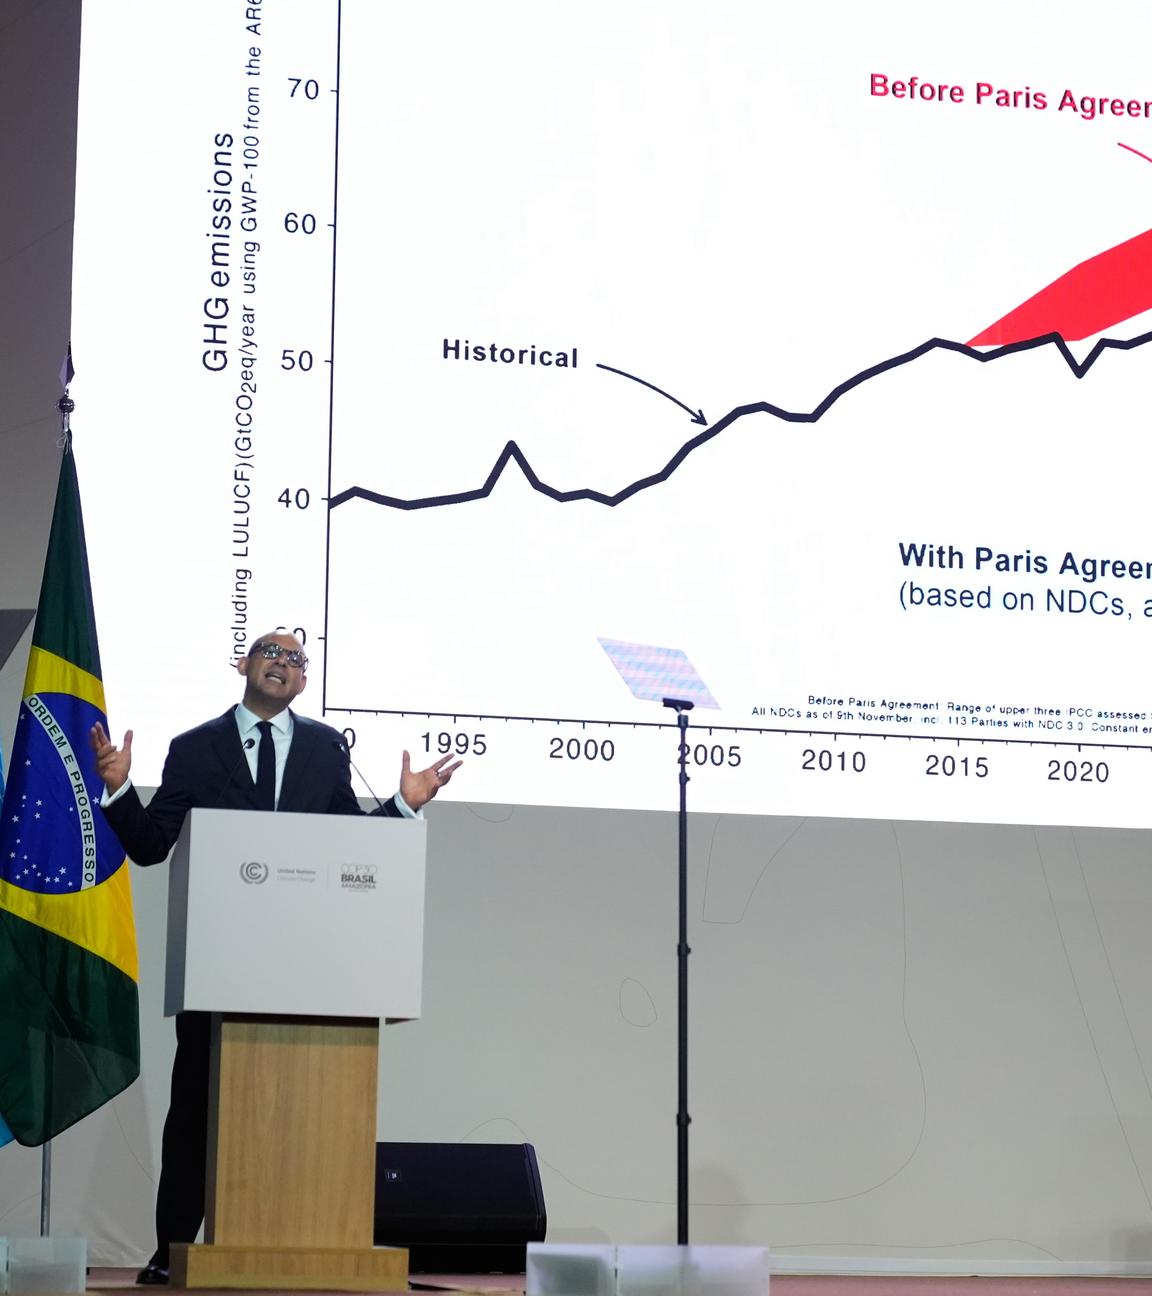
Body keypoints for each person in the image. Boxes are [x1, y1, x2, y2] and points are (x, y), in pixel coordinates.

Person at [91, 631, 460, 1285]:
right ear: (244, 663)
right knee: (195, 1113)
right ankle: (171, 1249)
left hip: (305, 967)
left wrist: (403, 806)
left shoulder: (326, 748)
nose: (282, 663)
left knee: (298, 1111)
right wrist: (120, 793)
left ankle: (293, 1241)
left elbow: (349, 842)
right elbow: (151, 846)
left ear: (304, 681)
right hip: (217, 962)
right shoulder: (194, 748)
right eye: (270, 651)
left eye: (295, 658)